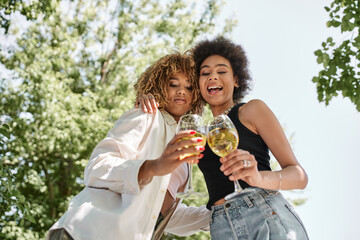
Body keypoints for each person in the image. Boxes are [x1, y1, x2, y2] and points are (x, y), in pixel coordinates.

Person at [138, 36, 309, 240]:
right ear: (199, 85)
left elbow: (299, 176)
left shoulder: (251, 110)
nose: (213, 77)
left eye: (221, 71)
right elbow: (164, 203)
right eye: (205, 73)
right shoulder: (200, 132)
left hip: (264, 213)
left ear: (236, 80)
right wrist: (149, 100)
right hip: (220, 225)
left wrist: (258, 178)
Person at [47, 52, 211, 240]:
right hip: (88, 231)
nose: (181, 91)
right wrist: (154, 167)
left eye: (189, 87)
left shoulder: (183, 145)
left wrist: (222, 214)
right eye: (173, 84)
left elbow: (159, 210)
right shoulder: (146, 115)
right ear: (159, 86)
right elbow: (97, 168)